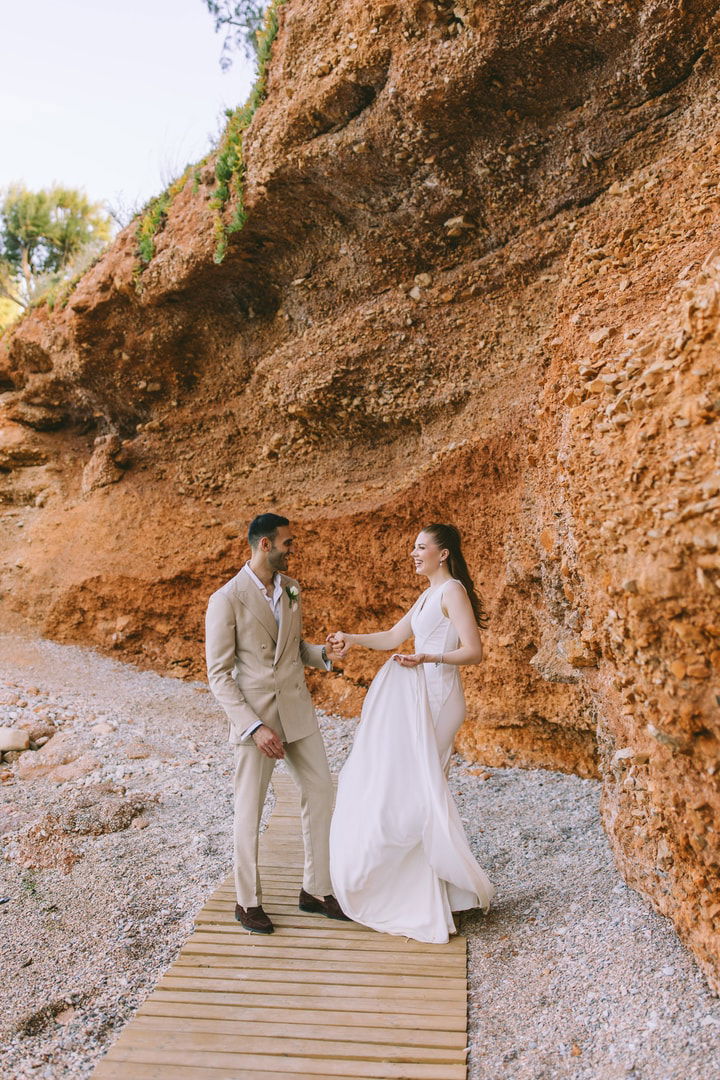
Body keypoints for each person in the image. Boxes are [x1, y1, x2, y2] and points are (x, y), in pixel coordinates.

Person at [327, 523, 495, 944]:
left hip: (439, 698)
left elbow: (473, 652)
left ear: (443, 553)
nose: (413, 553)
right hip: (423, 693)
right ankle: (436, 889)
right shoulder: (427, 594)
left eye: (421, 547)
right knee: (416, 787)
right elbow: (392, 636)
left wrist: (428, 657)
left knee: (420, 789)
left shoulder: (452, 590)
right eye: (413, 547)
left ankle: (430, 889)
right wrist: (352, 637)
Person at [205, 513, 349, 934]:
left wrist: (325, 653)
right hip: (257, 723)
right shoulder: (226, 598)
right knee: (248, 810)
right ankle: (246, 901)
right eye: (287, 542)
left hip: (298, 711)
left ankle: (316, 889)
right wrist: (254, 727)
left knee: (321, 790)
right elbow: (218, 674)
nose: (293, 548)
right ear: (265, 545)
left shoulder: (291, 588)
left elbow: (294, 648)